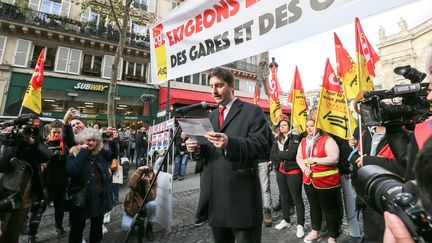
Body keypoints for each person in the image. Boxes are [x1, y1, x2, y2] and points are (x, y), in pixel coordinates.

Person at [186, 67, 272, 243]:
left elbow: (263, 147)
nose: (213, 91)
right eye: (211, 86)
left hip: (241, 199)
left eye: (219, 85)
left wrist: (230, 143)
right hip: (216, 199)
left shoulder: (252, 112)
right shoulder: (212, 116)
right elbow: (208, 150)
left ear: (232, 86)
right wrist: (196, 149)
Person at [0, 114, 53, 243]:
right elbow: (3, 164)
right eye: (24, 128)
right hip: (4, 197)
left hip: (24, 198)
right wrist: (7, 139)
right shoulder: (6, 139)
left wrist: (30, 140)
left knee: (12, 235)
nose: (28, 131)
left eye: (31, 128)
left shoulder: (33, 144)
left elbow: (47, 156)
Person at [296, 119, 342, 243]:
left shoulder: (328, 140)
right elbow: (299, 157)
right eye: (307, 126)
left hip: (327, 182)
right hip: (309, 181)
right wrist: (304, 168)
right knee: (314, 207)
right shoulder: (304, 141)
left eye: (312, 126)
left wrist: (316, 160)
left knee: (330, 210)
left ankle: (333, 236)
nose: (309, 128)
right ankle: (315, 231)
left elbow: (334, 158)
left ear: (319, 127)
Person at [66, 128, 113, 243]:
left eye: (93, 140)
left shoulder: (99, 154)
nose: (91, 143)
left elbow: (112, 155)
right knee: (77, 229)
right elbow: (72, 170)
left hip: (98, 197)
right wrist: (83, 152)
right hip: (81, 199)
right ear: (82, 141)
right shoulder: (74, 153)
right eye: (88, 140)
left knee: (97, 228)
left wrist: (112, 141)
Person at [270, 119, 304, 238]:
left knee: (296, 198)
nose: (282, 127)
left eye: (285, 125)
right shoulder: (277, 138)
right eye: (281, 125)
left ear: (289, 126)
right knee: (284, 197)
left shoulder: (295, 137)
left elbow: (291, 154)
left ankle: (301, 225)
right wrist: (282, 155)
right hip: (281, 171)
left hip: (293, 171)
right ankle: (286, 220)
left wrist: (280, 154)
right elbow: (272, 154)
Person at [123, 165, 158, 241]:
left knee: (153, 204)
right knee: (125, 227)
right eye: (147, 173)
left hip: (145, 208)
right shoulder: (137, 180)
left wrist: (147, 183)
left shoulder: (153, 182)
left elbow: (151, 197)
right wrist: (139, 170)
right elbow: (130, 184)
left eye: (151, 173)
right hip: (134, 208)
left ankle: (149, 227)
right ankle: (137, 223)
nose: (149, 175)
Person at [46, 119, 68, 235]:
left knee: (59, 206)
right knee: (40, 206)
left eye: (59, 132)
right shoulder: (45, 143)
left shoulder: (66, 144)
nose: (56, 134)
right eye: (54, 132)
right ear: (50, 131)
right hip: (47, 180)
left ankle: (59, 226)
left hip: (61, 181)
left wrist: (63, 157)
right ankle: (32, 233)